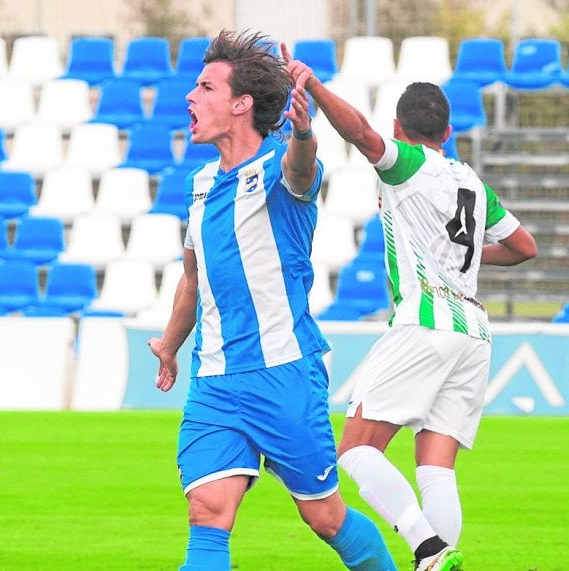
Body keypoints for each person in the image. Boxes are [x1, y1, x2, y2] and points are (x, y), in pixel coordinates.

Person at [148, 30, 397, 571]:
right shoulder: (197, 185)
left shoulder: (280, 172)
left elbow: (302, 167)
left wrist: (305, 131)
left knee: (324, 517)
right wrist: (169, 346)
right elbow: (192, 279)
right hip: (213, 380)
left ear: (241, 104)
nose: (190, 96)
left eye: (205, 86)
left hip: (282, 373)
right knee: (207, 512)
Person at [283, 45, 537, 571]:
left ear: (400, 129)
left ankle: (427, 548)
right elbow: (523, 248)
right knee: (436, 467)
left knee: (355, 449)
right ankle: (439, 562)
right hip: (473, 331)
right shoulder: (472, 181)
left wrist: (314, 85)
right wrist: (463, 261)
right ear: (448, 133)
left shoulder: (408, 164)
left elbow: (359, 134)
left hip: (425, 320)